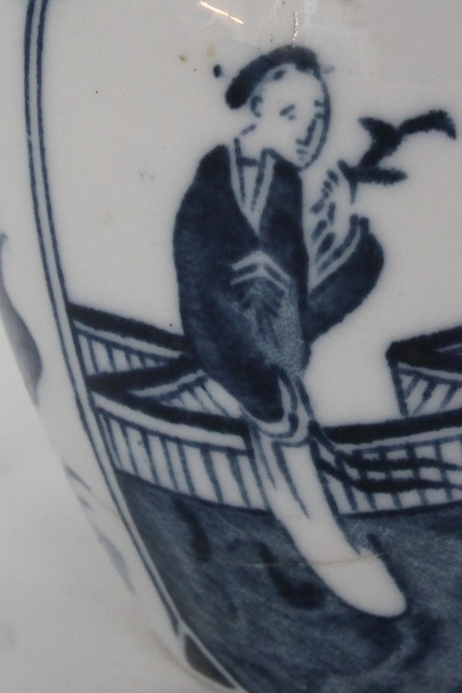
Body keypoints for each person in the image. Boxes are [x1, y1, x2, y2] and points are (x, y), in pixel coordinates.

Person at [171, 46, 406, 617]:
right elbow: (202, 292)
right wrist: (264, 385)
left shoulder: (282, 182)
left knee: (297, 468)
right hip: (228, 359)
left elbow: (294, 301)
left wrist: (345, 255)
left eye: (320, 116)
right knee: (289, 466)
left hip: (275, 364)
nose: (312, 131)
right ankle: (334, 567)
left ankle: (340, 562)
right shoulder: (211, 182)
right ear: (257, 107)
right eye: (294, 114)